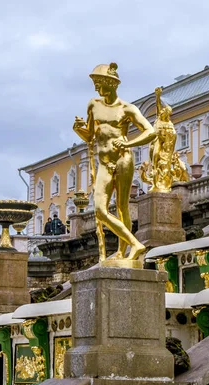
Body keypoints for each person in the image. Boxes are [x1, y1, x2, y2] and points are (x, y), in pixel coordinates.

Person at [73, 62, 156, 261]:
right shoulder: (93, 104)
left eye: (99, 82)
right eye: (95, 83)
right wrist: (78, 129)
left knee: (122, 207)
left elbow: (151, 132)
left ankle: (123, 252)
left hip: (122, 160)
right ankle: (136, 244)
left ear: (111, 84)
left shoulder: (127, 109)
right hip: (104, 163)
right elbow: (91, 136)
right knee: (100, 211)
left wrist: (129, 143)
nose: (96, 87)